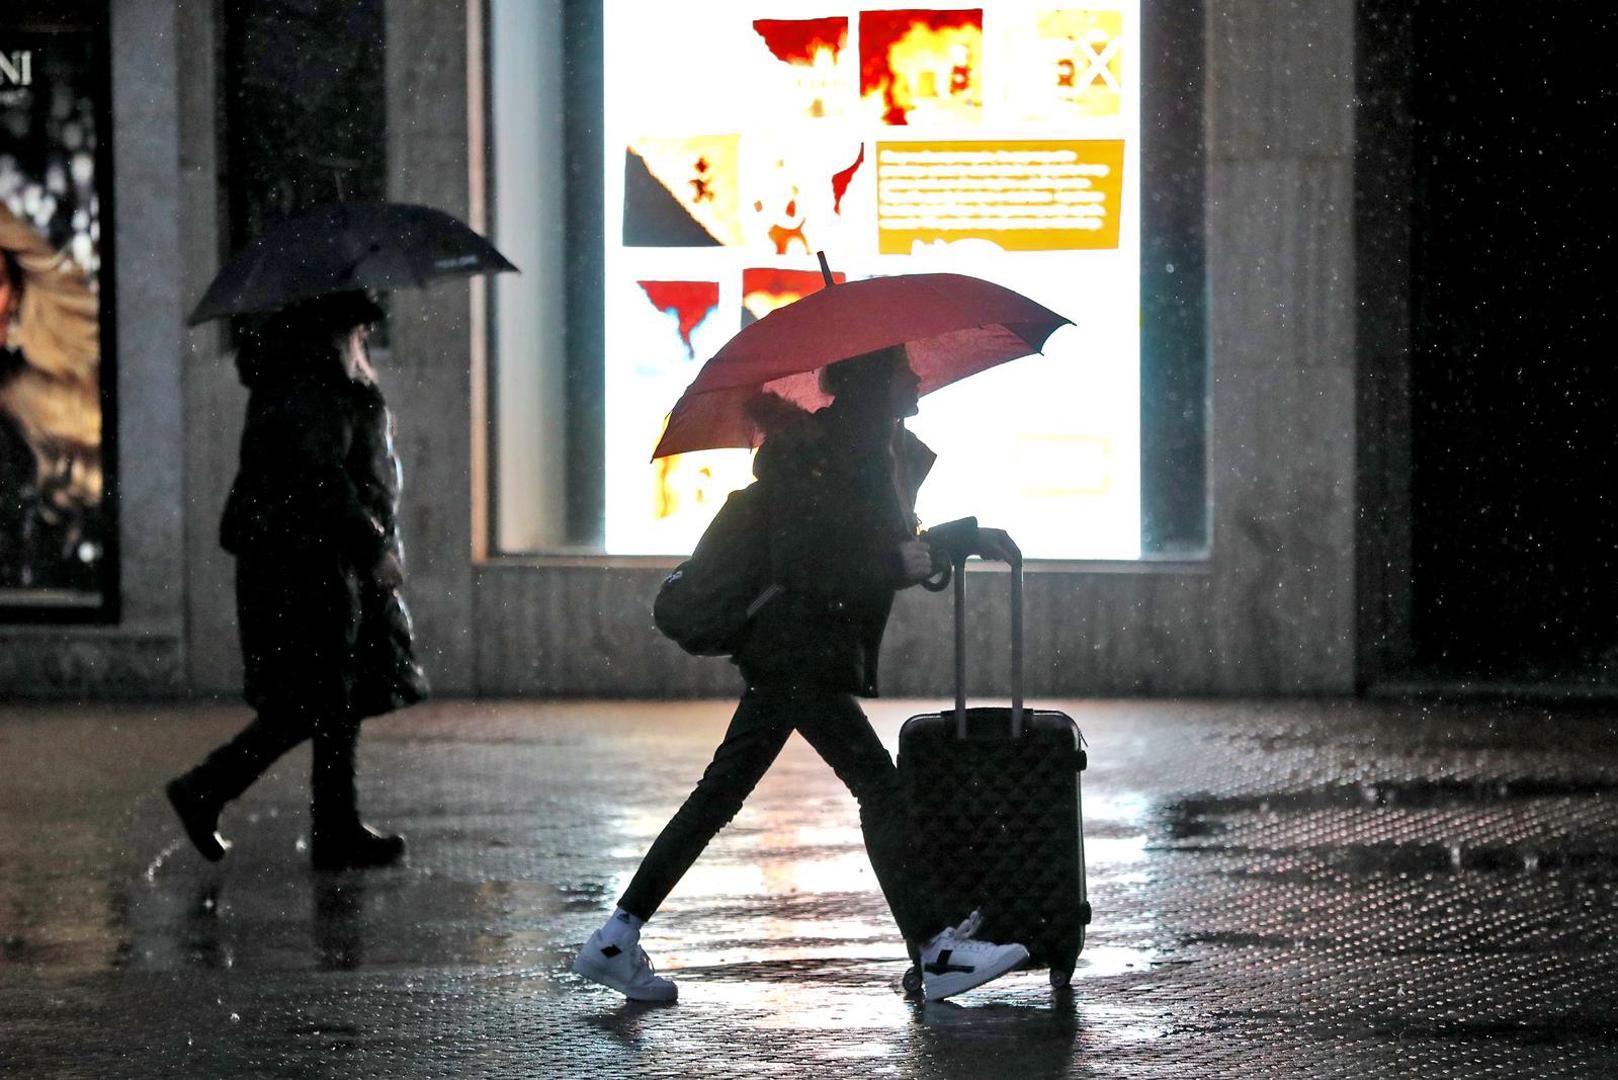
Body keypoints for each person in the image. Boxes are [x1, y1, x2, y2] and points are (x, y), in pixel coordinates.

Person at [573, 343, 1027, 1003]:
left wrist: (964, 538)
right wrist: (892, 566)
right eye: (902, 367)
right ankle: (936, 950)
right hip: (798, 652)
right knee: (879, 787)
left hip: (795, 653)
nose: (916, 374)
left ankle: (616, 937)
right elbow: (813, 563)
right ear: (875, 380)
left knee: (720, 795)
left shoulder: (868, 449)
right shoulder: (834, 455)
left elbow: (881, 545)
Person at [165, 290, 428, 871]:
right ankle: (206, 790)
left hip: (309, 562)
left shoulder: (308, 378)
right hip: (302, 566)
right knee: (311, 702)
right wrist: (372, 545)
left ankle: (332, 826)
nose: (366, 338)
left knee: (334, 698)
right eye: (361, 326)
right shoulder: (310, 383)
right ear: (336, 328)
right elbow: (320, 476)